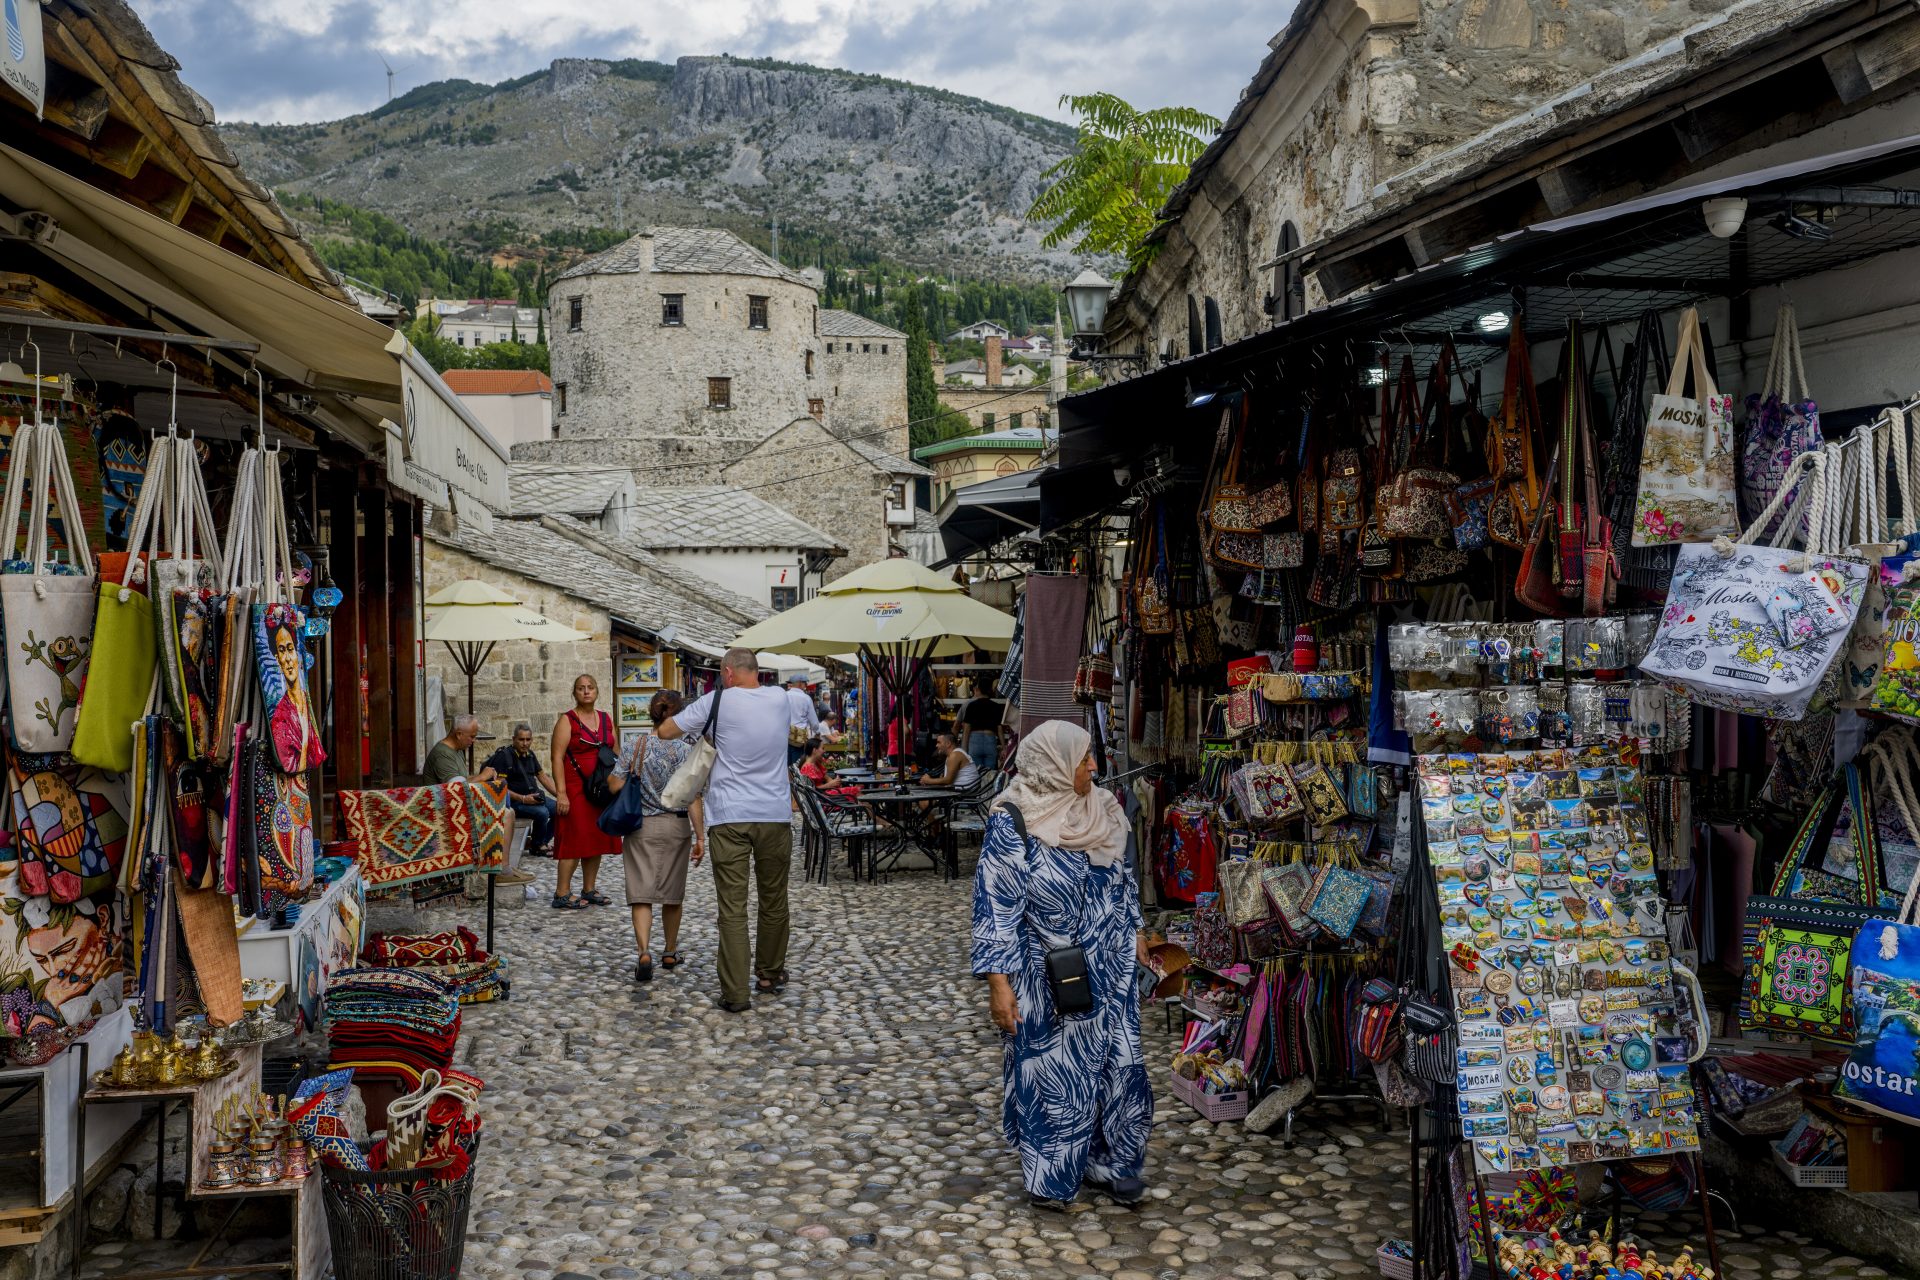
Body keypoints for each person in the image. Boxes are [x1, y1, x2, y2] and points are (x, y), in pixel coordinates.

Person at [971, 720, 1151, 1210]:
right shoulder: (1015, 818)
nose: (1093, 765)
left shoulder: (1105, 808)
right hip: (1048, 973)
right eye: (1082, 757)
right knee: (1056, 1074)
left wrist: (1135, 932)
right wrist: (997, 983)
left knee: (1121, 1066)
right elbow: (996, 905)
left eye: (1091, 755)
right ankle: (1052, 1178)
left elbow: (1124, 878)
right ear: (1053, 762)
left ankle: (1116, 1165)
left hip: (1111, 970)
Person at [657, 647, 794, 1012]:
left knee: (733, 908)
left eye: (722, 673)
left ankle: (735, 994)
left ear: (729, 673)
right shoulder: (781, 699)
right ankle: (769, 973)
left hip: (730, 816)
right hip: (775, 815)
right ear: (757, 671)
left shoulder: (716, 700)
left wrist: (669, 713)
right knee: (774, 899)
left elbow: (667, 731)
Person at [607, 690, 705, 983]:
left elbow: (614, 785)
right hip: (676, 827)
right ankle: (670, 951)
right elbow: (694, 798)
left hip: (641, 827)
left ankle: (643, 951)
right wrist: (700, 837)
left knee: (641, 892)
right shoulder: (687, 751)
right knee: (672, 895)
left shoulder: (636, 745)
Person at [550, 674, 620, 910]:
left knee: (595, 837)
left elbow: (615, 752)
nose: (586, 691)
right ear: (575, 692)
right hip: (575, 787)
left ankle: (589, 889)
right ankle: (562, 892)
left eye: (590, 687)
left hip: (601, 787)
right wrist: (561, 792)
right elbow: (557, 758)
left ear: (597, 691)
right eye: (581, 688)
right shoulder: (567, 720)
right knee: (575, 836)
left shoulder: (605, 718)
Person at [263, 608, 325, 772]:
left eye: (290, 649)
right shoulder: (280, 718)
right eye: (282, 650)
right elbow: (292, 767)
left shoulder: (305, 699)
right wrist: (304, 742)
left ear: (297, 653)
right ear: (277, 659)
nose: (288, 658)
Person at [485, 724, 558, 856]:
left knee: (559, 809)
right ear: (514, 739)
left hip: (533, 797)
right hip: (515, 802)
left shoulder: (530, 754)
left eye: (528, 739)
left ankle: (541, 842)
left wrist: (561, 796)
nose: (525, 743)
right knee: (543, 813)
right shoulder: (504, 757)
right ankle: (538, 846)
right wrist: (523, 798)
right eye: (521, 739)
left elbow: (542, 777)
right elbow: (500, 788)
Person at [959, 679, 1004, 776]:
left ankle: (977, 791)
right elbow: (999, 729)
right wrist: (1004, 747)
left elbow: (966, 729)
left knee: (975, 774)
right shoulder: (996, 706)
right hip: (990, 741)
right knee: (990, 775)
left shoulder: (971, 706)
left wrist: (964, 750)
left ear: (978, 689)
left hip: (974, 741)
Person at [784, 676, 820, 765]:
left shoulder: (784, 695)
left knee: (786, 764)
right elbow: (813, 721)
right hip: (798, 738)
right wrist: (817, 732)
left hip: (784, 735)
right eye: (805, 683)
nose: (806, 686)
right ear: (800, 683)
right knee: (797, 765)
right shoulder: (806, 698)